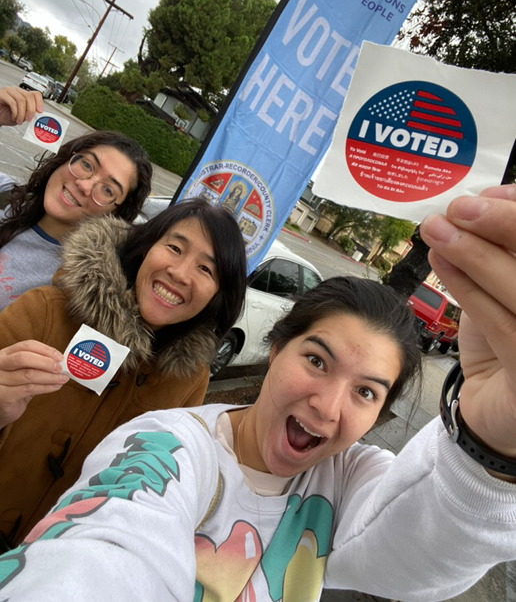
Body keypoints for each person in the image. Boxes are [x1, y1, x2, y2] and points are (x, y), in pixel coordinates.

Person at [1, 186, 516, 602]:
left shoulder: (352, 479)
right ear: (275, 350)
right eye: (316, 360)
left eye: (366, 392)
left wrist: (489, 449)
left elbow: (419, 544)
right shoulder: (171, 442)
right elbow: (109, 542)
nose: (327, 405)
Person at [0, 197, 247, 551]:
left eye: (207, 269)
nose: (179, 273)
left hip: (59, 566)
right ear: (146, 248)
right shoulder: (44, 311)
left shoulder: (189, 381)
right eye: (175, 248)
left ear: (218, 297)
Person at [0, 85, 153, 310]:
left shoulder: (74, 288)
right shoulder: (6, 192)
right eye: (86, 164)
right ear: (67, 158)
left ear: (116, 213)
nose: (84, 185)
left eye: (108, 190)